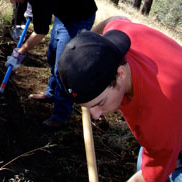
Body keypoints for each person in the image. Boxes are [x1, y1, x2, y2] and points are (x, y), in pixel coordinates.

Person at [58, 16, 182, 182]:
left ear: (120, 74)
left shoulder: (158, 116)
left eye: (99, 103)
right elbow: (115, 19)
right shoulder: (119, 35)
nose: (95, 116)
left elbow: (151, 175)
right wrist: (85, 49)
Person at [0, 0, 97, 128]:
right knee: (52, 55)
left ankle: (60, 115)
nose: (14, 1)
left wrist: (20, 51)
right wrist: (30, 7)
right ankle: (51, 94)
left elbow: (40, 32)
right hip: (63, 11)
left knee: (62, 68)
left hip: (79, 17)